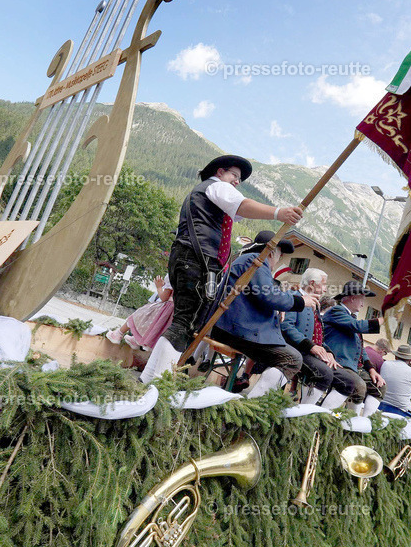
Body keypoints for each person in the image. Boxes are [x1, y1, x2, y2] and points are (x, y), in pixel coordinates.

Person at [142, 155, 304, 382]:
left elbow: (239, 211)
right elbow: (243, 205)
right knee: (185, 323)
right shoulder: (216, 186)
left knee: (184, 321)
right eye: (234, 175)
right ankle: (156, 382)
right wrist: (279, 213)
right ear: (220, 172)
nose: (237, 181)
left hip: (190, 258)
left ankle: (150, 378)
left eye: (239, 179)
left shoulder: (209, 194)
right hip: (197, 260)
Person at [208, 231, 318, 397]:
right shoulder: (257, 261)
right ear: (272, 252)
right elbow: (269, 296)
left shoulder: (250, 260)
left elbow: (260, 296)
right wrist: (301, 301)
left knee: (285, 356)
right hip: (238, 330)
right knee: (292, 359)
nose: (279, 259)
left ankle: (251, 397)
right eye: (280, 255)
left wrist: (278, 308)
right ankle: (252, 404)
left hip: (236, 328)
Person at [278, 268, 358, 408]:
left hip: (312, 353)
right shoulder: (295, 297)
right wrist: (311, 346)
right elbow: (286, 326)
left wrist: (329, 353)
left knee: (348, 382)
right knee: (324, 373)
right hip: (297, 350)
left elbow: (318, 336)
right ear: (312, 283)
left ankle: (318, 415)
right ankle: (302, 413)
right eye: (324, 284)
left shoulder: (315, 304)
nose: (325, 289)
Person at [321, 281, 386, 417]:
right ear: (352, 298)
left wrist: (372, 370)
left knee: (379, 387)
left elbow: (360, 348)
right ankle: (330, 416)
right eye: (362, 299)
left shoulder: (350, 317)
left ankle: (364, 421)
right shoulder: (336, 311)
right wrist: (384, 319)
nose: (363, 304)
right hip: (338, 362)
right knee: (359, 385)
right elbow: (357, 326)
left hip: (352, 367)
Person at [106, 275, 173, 350]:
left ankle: (118, 334)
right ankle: (136, 340)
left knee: (139, 315)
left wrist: (159, 287)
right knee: (152, 326)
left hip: (168, 308)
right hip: (177, 312)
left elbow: (164, 297)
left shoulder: (175, 273)